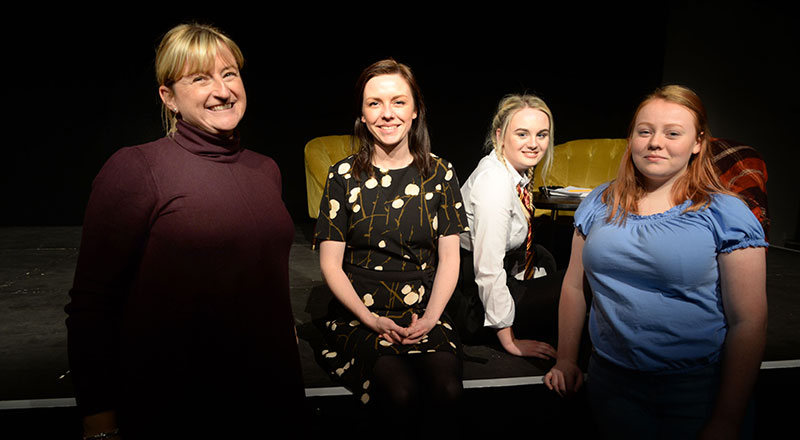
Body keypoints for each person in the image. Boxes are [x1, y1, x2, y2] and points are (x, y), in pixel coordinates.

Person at [65, 23, 304, 439]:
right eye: (199, 78)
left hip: (271, 396)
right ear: (168, 97)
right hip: (180, 404)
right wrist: (98, 420)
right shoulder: (137, 169)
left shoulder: (265, 169)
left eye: (229, 73)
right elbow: (92, 305)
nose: (222, 89)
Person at [544, 85, 768, 439]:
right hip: (610, 387)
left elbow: (748, 321)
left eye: (673, 133)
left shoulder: (727, 214)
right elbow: (574, 285)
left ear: (698, 142)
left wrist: (727, 418)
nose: (655, 142)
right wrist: (567, 359)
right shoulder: (599, 202)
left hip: (693, 396)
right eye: (644, 131)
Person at [314, 59, 467, 429]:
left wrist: (431, 318)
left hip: (423, 312)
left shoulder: (441, 173)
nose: (387, 114)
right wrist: (369, 319)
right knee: (399, 393)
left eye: (398, 102)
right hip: (360, 314)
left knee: (448, 389)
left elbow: (449, 259)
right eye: (374, 104)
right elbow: (330, 263)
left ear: (415, 111)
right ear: (362, 115)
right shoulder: (343, 175)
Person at [452, 94, 561, 358]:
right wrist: (510, 341)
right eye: (522, 134)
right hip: (471, 301)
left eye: (542, 135)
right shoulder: (495, 183)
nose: (534, 144)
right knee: (580, 283)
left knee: (548, 260)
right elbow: (487, 269)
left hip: (499, 276)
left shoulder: (514, 171)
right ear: (500, 136)